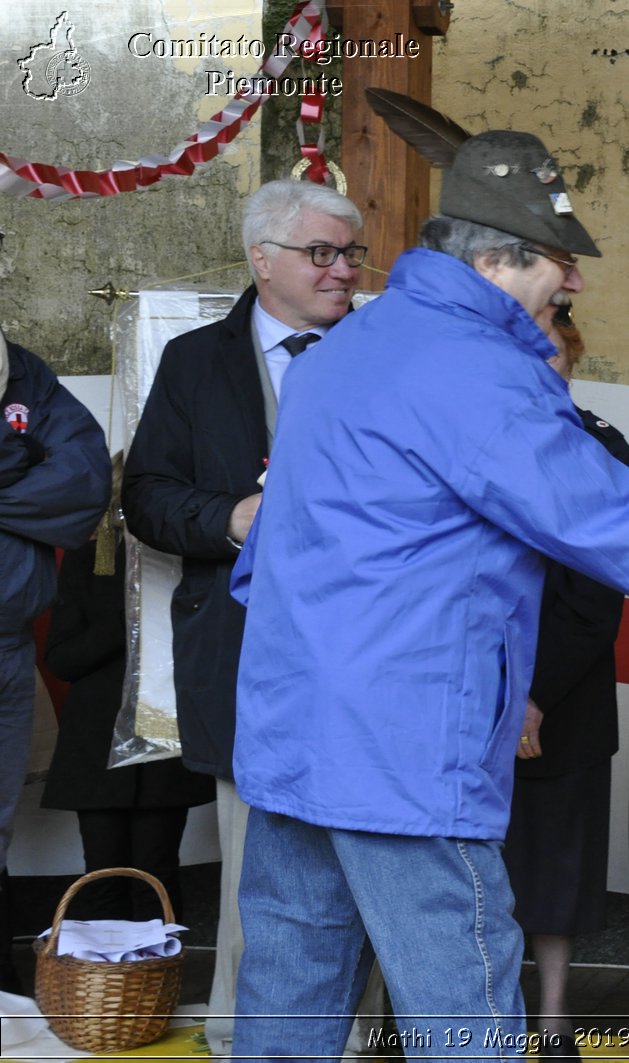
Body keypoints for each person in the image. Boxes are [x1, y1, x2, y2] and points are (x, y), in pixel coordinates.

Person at [226, 130, 629, 1062]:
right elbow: (600, 517)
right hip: (404, 751)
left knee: (289, 1007)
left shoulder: (350, 344)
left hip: (293, 734)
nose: (574, 283)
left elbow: (265, 552)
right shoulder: (479, 370)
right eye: (560, 260)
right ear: (498, 259)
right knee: (464, 1010)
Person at [121, 177, 377, 1056]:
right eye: (322, 253)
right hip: (244, 656)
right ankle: (245, 1040)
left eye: (351, 253)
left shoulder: (383, 354)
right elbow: (146, 497)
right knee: (256, 873)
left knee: (369, 862)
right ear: (261, 261)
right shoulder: (196, 362)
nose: (343, 270)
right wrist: (228, 519)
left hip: (369, 661)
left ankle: (355, 1040)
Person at [502, 308, 629, 1063]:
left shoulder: (601, 448)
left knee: (558, 864)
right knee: (474, 865)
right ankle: (481, 1011)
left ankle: (553, 1018)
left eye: (552, 355)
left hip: (567, 696)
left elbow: (598, 592)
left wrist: (535, 691)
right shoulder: (473, 445)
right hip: (473, 694)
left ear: (573, 361)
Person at [41, 455, 214, 922]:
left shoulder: (186, 561)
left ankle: (157, 988)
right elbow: (61, 659)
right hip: (96, 750)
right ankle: (105, 990)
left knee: (157, 876)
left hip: (162, 745)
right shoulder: (86, 557)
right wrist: (128, 623)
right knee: (101, 876)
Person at [0, 324, 111, 991]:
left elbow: (82, 491)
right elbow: (46, 477)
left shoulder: (24, 371)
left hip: (8, 644)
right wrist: (20, 459)